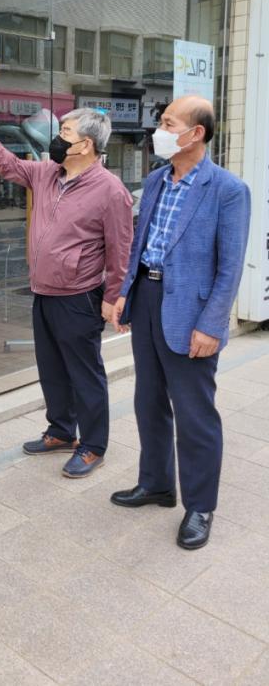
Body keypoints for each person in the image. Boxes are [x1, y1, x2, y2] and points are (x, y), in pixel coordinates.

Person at [0, 104, 133, 478]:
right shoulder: (47, 174)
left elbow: (121, 250)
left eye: (65, 133)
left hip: (79, 296)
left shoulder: (110, 190)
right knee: (52, 368)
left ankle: (93, 446)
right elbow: (9, 165)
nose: (57, 139)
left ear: (85, 144)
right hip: (43, 291)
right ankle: (61, 431)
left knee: (84, 373)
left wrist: (113, 298)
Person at [110, 96, 251, 550]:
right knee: (148, 401)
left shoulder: (228, 189)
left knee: (194, 414)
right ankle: (155, 483)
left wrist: (211, 325)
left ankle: (200, 506)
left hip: (192, 312)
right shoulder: (156, 180)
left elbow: (230, 267)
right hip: (149, 299)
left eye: (169, 124)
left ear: (196, 134)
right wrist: (124, 294)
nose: (160, 131)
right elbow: (140, 244)